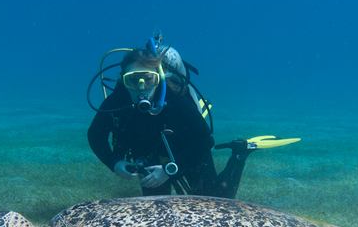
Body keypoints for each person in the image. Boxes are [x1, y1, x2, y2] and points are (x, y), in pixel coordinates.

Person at [87, 36, 261, 198]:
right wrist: (114, 163)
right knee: (156, 204)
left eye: (148, 79)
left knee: (216, 198)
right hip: (150, 155)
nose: (141, 88)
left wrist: (170, 169)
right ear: (122, 80)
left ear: (159, 78)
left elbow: (205, 140)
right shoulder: (116, 101)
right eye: (132, 80)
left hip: (185, 149)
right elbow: (95, 135)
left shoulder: (175, 99)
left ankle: (240, 153)